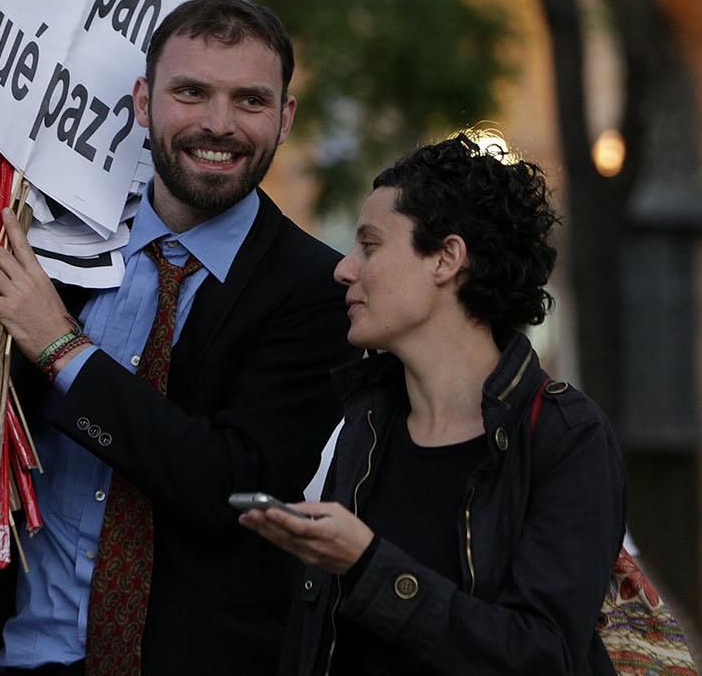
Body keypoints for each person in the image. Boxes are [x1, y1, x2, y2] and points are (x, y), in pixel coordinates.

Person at [0, 0, 352, 676]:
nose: (218, 124)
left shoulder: (317, 289)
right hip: (3, 652)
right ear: (144, 102)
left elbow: (227, 486)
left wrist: (59, 347)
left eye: (250, 100)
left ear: (285, 117)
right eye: (191, 92)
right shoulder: (53, 241)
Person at [241, 133, 626, 675]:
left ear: (446, 258)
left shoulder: (565, 436)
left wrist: (369, 564)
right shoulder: (365, 423)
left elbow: (546, 656)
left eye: (370, 246)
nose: (344, 270)